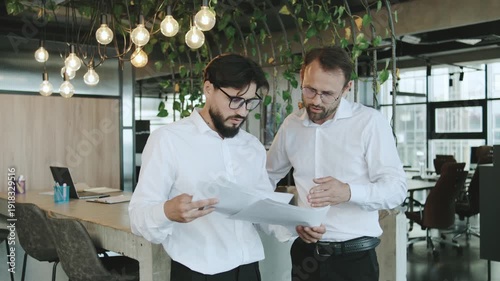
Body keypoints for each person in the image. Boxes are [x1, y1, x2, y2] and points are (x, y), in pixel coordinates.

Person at [128, 53, 324, 281]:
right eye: (235, 100)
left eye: (250, 102)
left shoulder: (252, 147)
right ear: (209, 89)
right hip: (197, 272)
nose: (242, 111)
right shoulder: (168, 140)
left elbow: (262, 211)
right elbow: (137, 216)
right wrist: (167, 211)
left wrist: (295, 225)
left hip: (249, 270)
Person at [266, 46, 407, 281]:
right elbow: (265, 177)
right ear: (302, 76)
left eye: (327, 94)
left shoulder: (369, 123)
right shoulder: (291, 126)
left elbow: (397, 190)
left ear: (347, 88)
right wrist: (292, 223)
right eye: (310, 90)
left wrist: (349, 192)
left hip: (354, 261)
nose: (316, 101)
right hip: (305, 256)